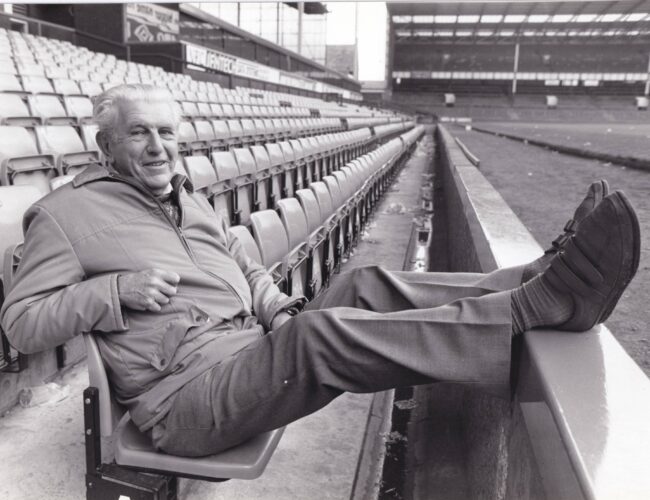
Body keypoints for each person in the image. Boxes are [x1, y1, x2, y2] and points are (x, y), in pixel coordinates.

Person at [0, 85, 640, 458]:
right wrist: (115, 290)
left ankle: (525, 282)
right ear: (105, 145)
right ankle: (532, 309)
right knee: (318, 336)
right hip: (183, 399)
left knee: (360, 283)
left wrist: (277, 306)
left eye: (166, 132)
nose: (158, 147)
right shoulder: (62, 214)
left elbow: (242, 264)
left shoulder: (187, 197)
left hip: (247, 349)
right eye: (138, 133)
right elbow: (21, 323)